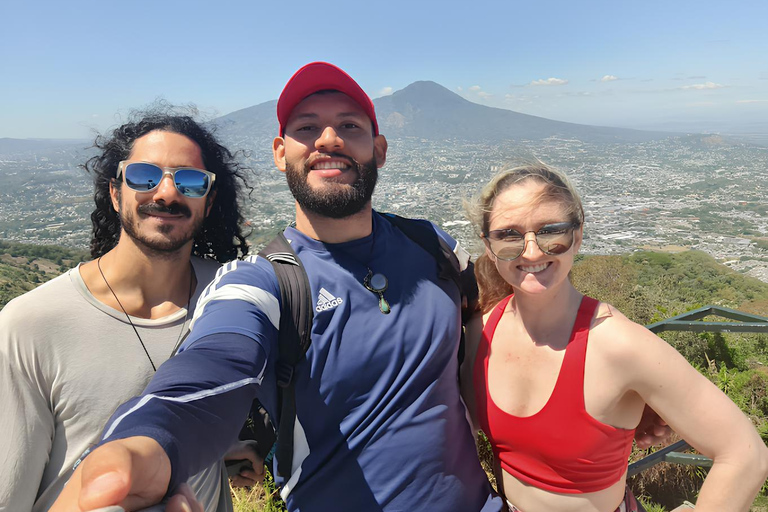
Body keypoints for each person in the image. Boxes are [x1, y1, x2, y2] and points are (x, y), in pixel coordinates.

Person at [49, 64, 668, 512]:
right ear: (278, 151)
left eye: (350, 124)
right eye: (306, 126)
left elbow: (504, 327)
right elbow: (213, 367)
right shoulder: (264, 283)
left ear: (380, 149)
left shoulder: (432, 248)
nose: (328, 139)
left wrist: (608, 405)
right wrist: (145, 446)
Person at [464, 162, 768, 512]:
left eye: (551, 232)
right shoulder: (480, 332)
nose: (532, 252)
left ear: (576, 237)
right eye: (510, 236)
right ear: (489, 246)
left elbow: (745, 455)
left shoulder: (620, 345)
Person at [0, 108, 262, 512]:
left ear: (209, 203)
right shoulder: (31, 325)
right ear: (115, 191)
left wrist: (216, 449)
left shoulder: (230, 295)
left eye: (191, 181)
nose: (167, 193)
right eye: (145, 176)